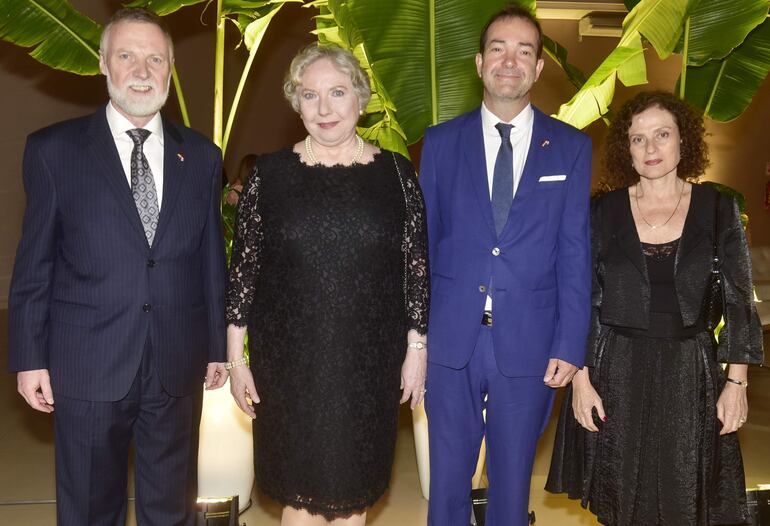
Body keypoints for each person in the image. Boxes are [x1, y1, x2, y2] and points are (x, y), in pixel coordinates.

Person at [7, 8, 228, 525]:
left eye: (155, 58)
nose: (142, 70)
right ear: (103, 64)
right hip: (87, 360)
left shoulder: (200, 156)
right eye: (127, 56)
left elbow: (209, 258)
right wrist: (28, 356)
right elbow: (34, 262)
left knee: (172, 509)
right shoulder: (53, 151)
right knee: (88, 507)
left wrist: (216, 345)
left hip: (176, 360)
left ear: (171, 69)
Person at [225, 44, 429, 526]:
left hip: (367, 367)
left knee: (353, 499)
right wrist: (237, 358)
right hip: (290, 369)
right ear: (297, 105)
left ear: (360, 98)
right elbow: (243, 275)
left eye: (337, 92)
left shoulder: (397, 175)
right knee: (300, 500)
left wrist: (416, 350)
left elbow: (415, 268)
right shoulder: (270, 176)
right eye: (310, 95)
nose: (324, 108)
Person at [546, 91, 764, 525]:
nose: (651, 149)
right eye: (638, 139)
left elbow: (741, 300)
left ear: (684, 141)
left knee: (687, 498)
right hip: (617, 372)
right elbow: (582, 299)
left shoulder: (720, 209)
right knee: (620, 500)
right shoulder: (601, 212)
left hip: (691, 373)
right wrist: (581, 382)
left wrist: (736, 383)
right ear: (625, 149)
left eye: (662, 135)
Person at [418, 5, 592, 525]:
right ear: (479, 62)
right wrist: (416, 338)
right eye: (498, 48)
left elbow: (575, 253)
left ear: (539, 68)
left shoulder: (570, 147)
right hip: (450, 341)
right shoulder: (441, 142)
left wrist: (570, 344)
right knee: (446, 482)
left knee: (513, 487)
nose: (510, 61)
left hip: (530, 344)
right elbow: (422, 248)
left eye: (524, 51)